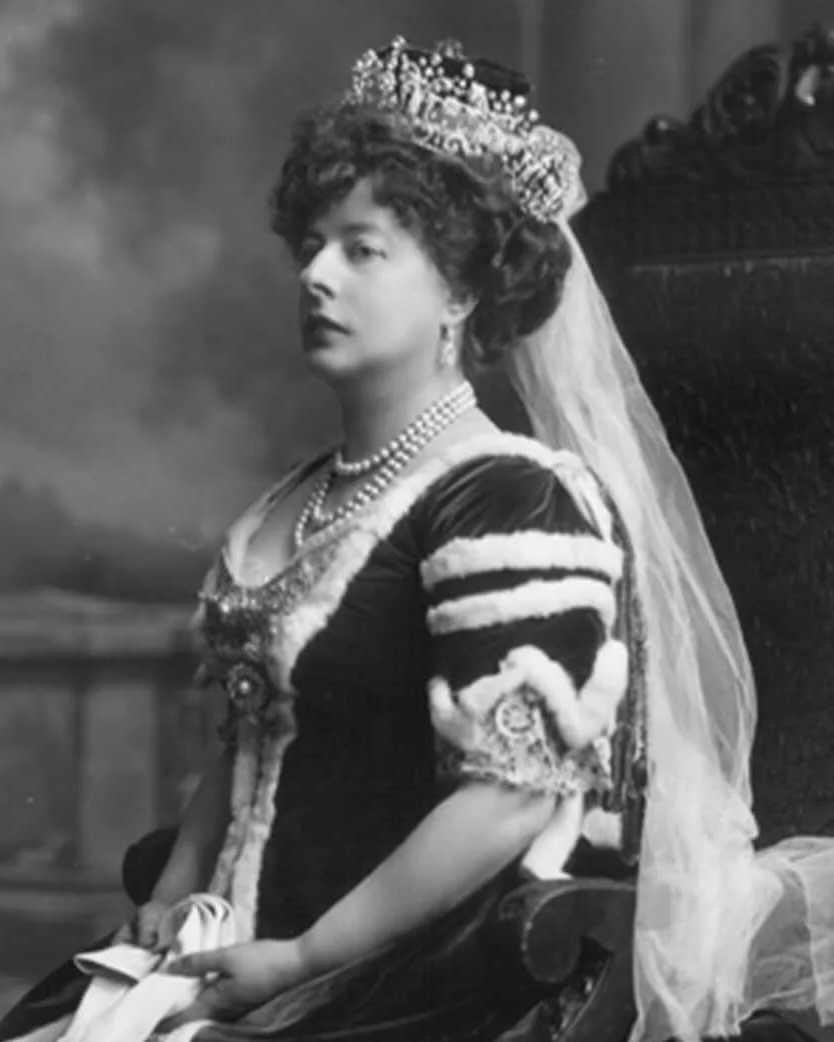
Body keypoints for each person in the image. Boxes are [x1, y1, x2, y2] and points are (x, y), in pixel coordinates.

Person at [3, 35, 834, 1042]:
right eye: (310, 243)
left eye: (363, 249)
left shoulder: (508, 501)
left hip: (393, 976)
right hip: (228, 950)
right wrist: (173, 895)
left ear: (459, 291)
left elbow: (510, 803)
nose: (315, 275)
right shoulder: (295, 501)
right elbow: (252, 735)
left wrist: (302, 959)